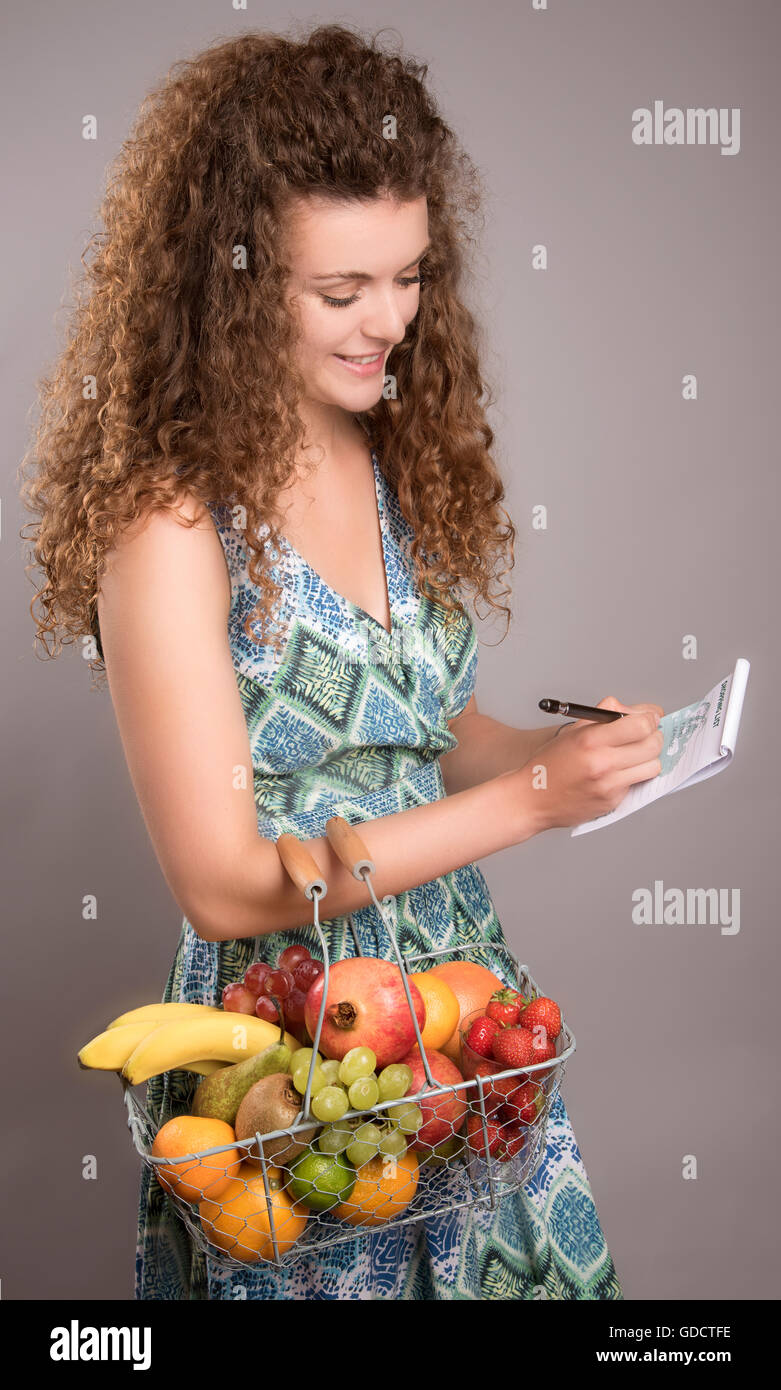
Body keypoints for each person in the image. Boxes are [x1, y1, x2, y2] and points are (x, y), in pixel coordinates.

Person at [20, 24, 664, 1300]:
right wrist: (529, 805)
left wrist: (560, 754)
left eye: (411, 276)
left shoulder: (387, 452)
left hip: (465, 1020)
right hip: (298, 1033)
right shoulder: (170, 526)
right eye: (342, 292)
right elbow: (226, 885)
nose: (392, 322)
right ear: (234, 281)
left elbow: (430, 728)